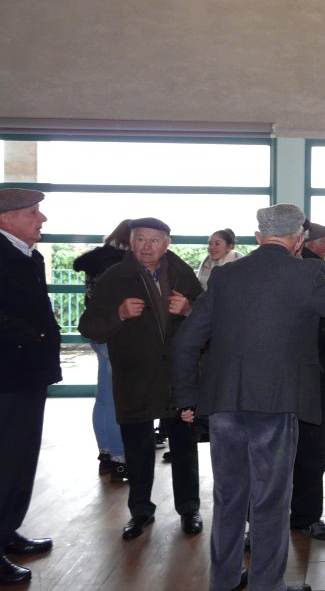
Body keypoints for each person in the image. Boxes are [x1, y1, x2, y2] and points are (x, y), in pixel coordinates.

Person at [172, 204, 325, 591]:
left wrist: (187, 398)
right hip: (276, 405)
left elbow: (187, 340)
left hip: (224, 404)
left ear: (259, 236)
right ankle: (267, 584)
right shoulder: (306, 272)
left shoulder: (225, 275)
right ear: (299, 239)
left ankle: (224, 581)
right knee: (271, 501)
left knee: (228, 498)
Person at [78, 217, 204, 541]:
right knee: (137, 447)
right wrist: (118, 314)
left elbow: (209, 316)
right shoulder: (114, 277)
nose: (146, 246)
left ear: (167, 243)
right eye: (140, 239)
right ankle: (140, 511)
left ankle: (189, 509)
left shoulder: (182, 273)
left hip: (177, 376)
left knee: (184, 445)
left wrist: (189, 309)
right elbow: (88, 326)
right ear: (130, 241)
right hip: (135, 375)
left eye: (154, 240)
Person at [0, 188, 60, 586]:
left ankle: (7, 530)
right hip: (7, 375)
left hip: (28, 374)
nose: (42, 219)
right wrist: (32, 338)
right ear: (6, 218)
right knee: (5, 461)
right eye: (34, 212)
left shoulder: (28, 255)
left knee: (21, 459)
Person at [290, 220, 325, 540]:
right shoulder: (312, 271)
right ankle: (306, 517)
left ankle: (261, 523)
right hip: (312, 375)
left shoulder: (311, 268)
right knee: (310, 449)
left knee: (277, 453)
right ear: (306, 241)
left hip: (295, 375)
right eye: (324, 240)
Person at [73, 218, 132, 481]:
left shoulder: (94, 260)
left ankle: (106, 454)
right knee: (116, 398)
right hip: (114, 334)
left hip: (95, 332)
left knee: (104, 398)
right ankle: (119, 458)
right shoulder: (120, 264)